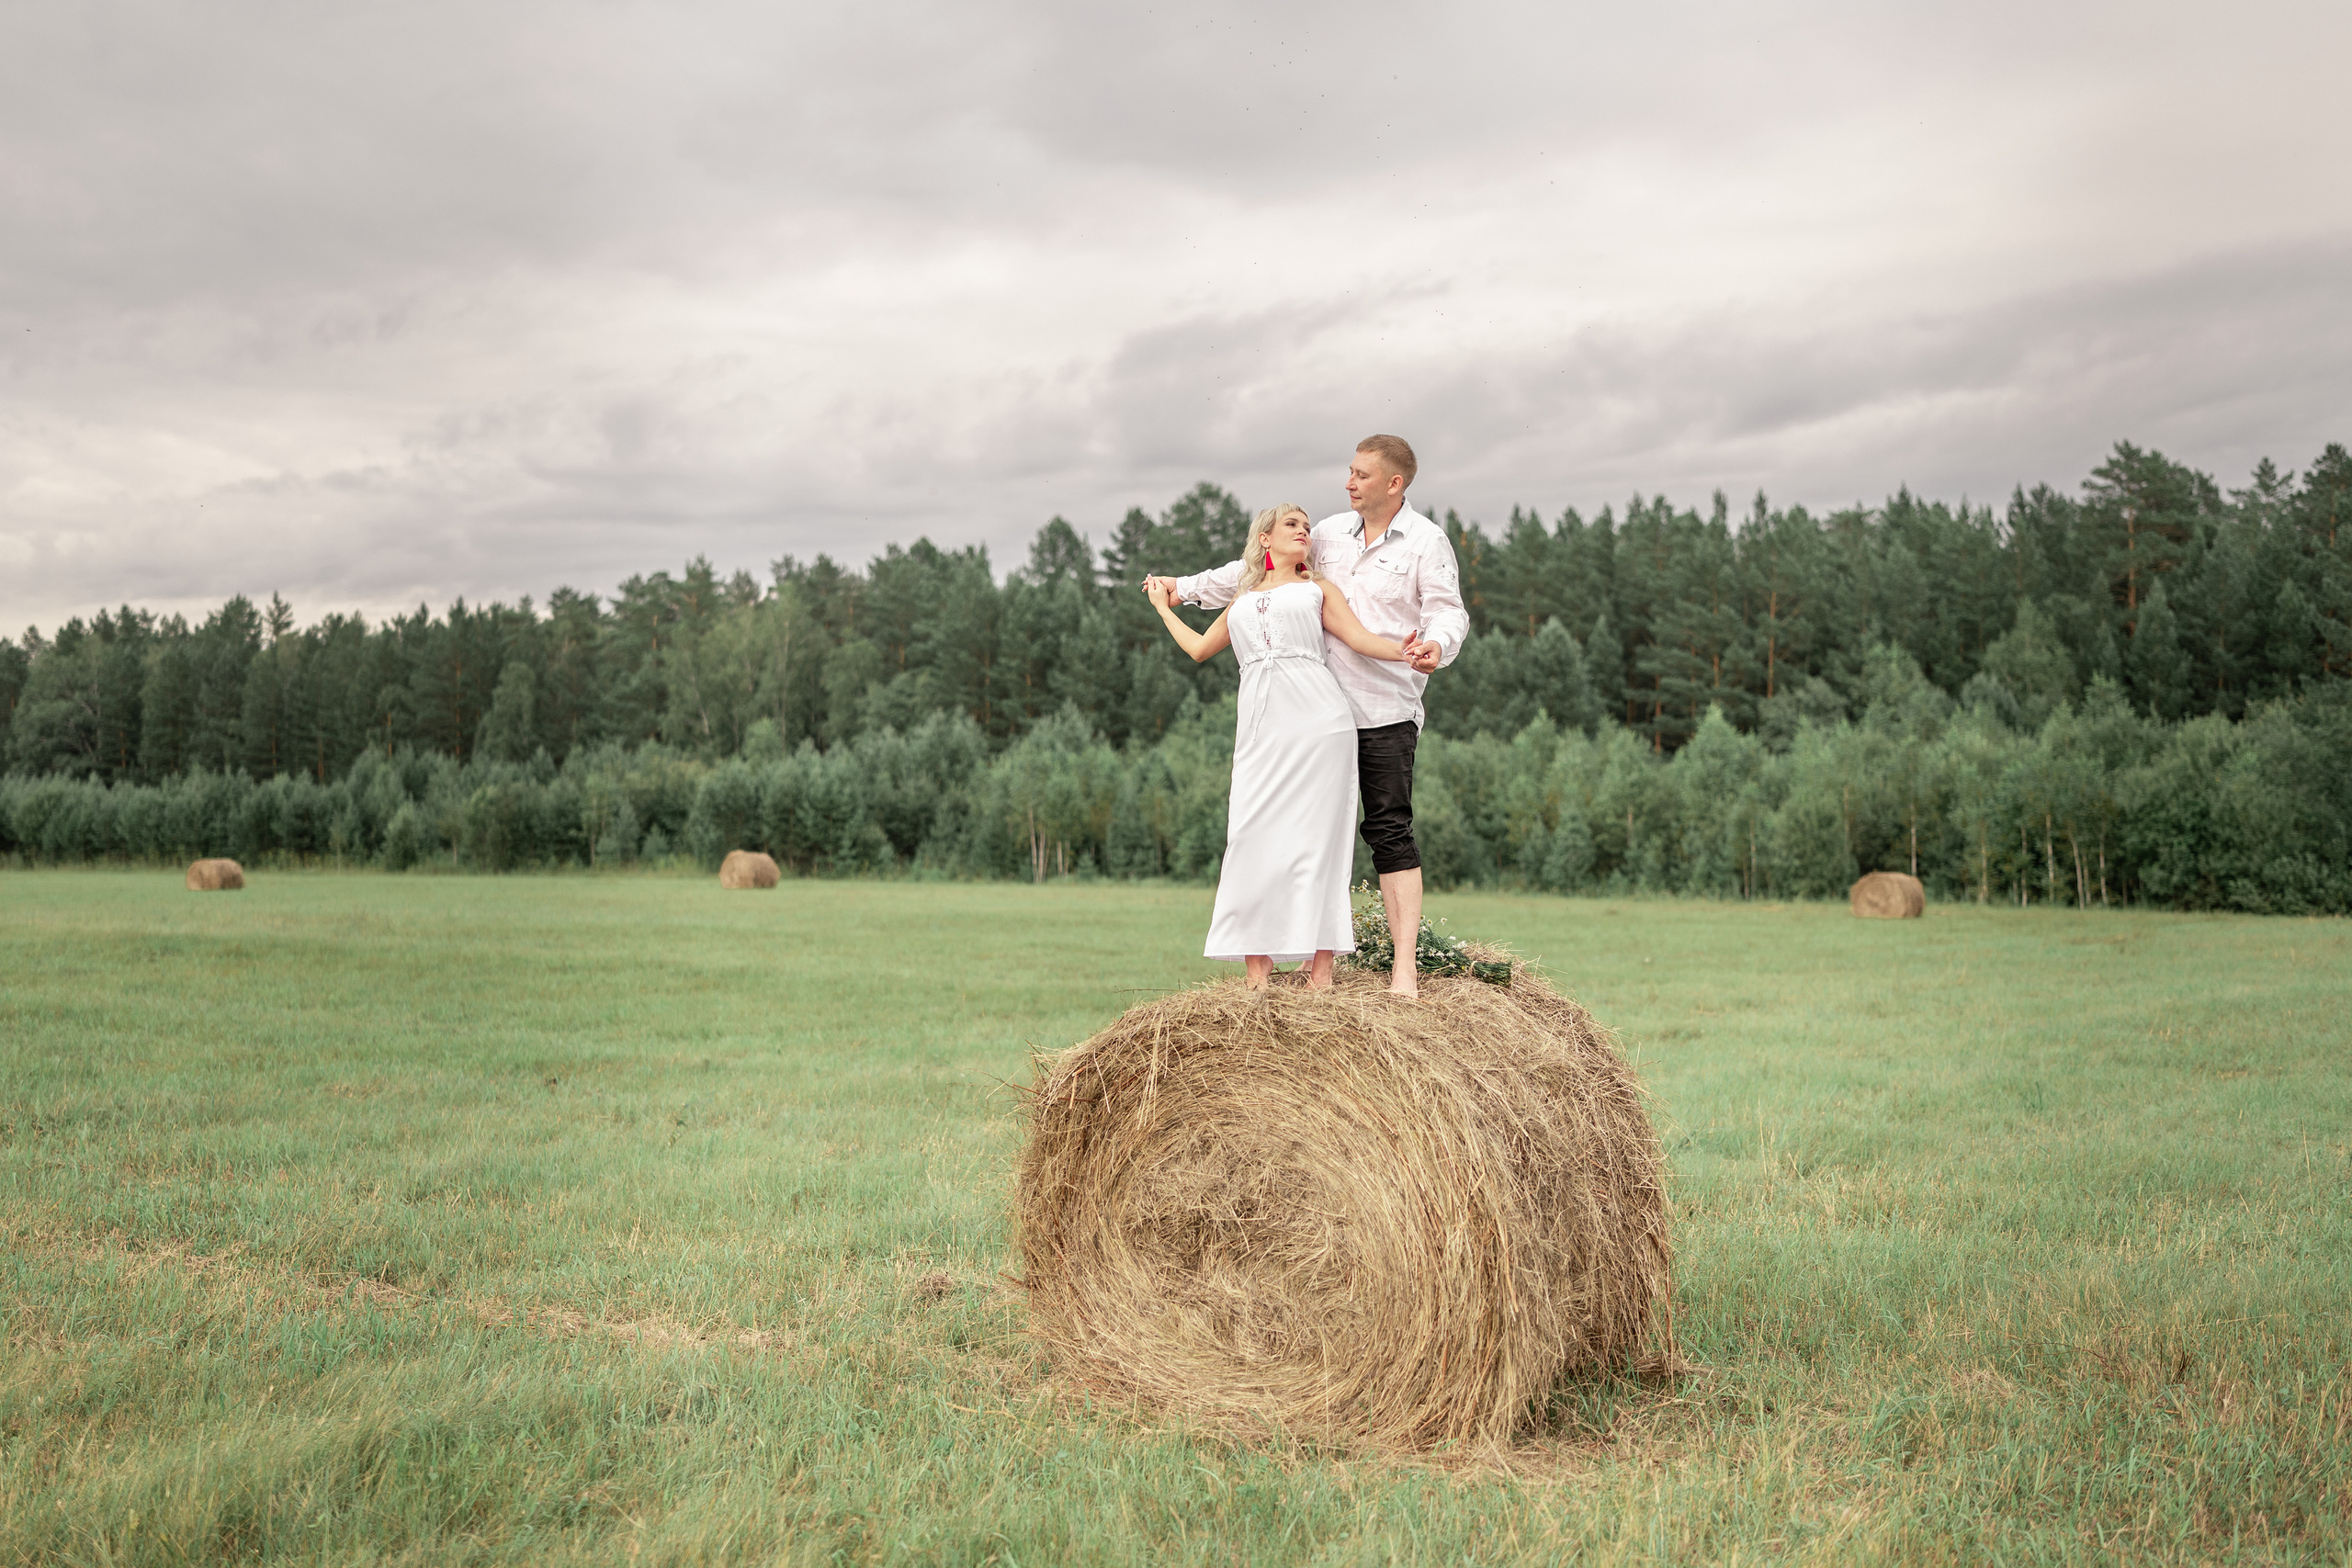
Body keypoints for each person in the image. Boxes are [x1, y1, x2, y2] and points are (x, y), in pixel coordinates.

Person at [1144, 435, 1466, 997]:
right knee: (1279, 830)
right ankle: (1283, 961)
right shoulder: (1326, 535)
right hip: (1302, 712)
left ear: (1395, 484)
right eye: (1349, 472)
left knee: (1386, 830)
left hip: (1383, 706)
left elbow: (1444, 612)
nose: (1348, 483)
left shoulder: (1426, 542)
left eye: (1361, 475)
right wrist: (1181, 588)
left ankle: (1404, 971)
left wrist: (1433, 645)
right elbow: (1245, 574)